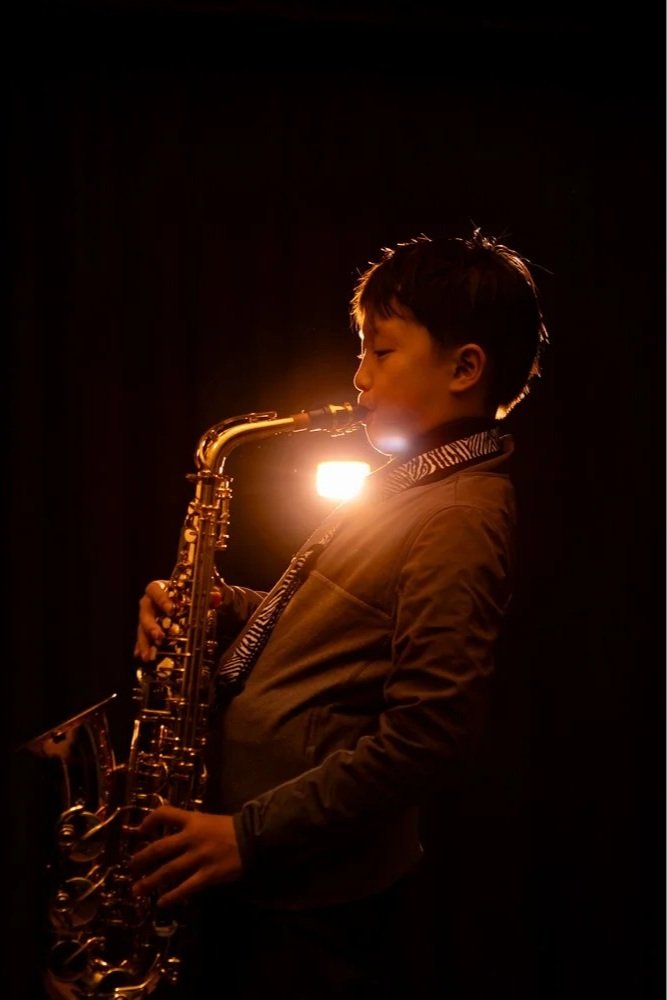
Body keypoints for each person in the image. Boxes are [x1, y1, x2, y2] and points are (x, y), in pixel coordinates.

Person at [130, 228, 548, 998]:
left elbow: (432, 734)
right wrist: (216, 610)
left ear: (464, 368)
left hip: (309, 907)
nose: (357, 377)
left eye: (380, 352)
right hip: (275, 886)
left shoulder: (457, 512)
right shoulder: (408, 482)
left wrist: (248, 838)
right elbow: (336, 623)